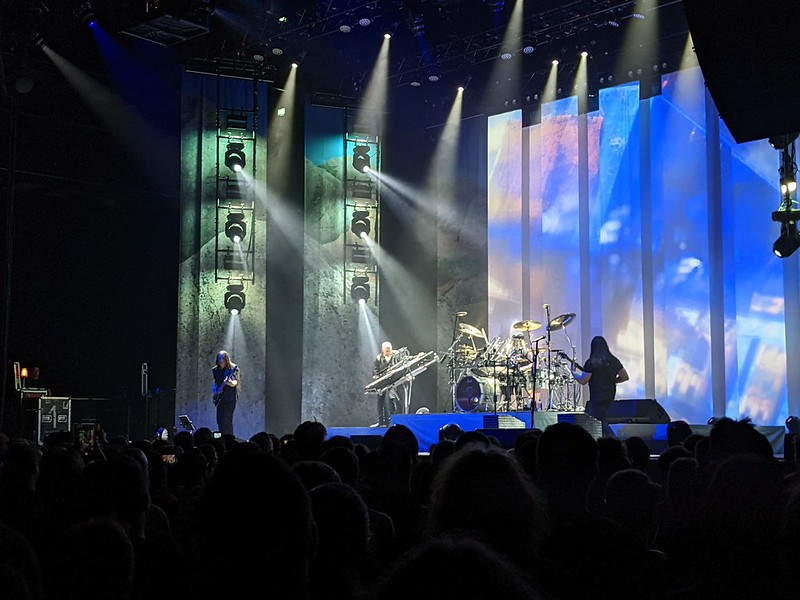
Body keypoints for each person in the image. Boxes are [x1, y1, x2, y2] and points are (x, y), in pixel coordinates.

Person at [569, 336, 629, 423]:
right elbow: (625, 377)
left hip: (596, 396)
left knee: (597, 420)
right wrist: (612, 381)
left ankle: (606, 434)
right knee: (605, 417)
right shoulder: (614, 361)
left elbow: (583, 380)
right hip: (610, 395)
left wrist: (574, 374)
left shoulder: (591, 362)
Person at [211, 350, 239, 436]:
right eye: (219, 358)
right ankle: (221, 439)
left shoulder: (232, 369)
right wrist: (214, 392)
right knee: (220, 421)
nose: (221, 360)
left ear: (226, 359)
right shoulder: (215, 370)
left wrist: (229, 382)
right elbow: (215, 382)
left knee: (227, 421)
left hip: (229, 399)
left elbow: (235, 383)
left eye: (223, 358)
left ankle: (229, 439)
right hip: (220, 399)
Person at [372, 342, 399, 427]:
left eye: (389, 350)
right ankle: (381, 421)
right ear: (382, 350)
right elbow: (375, 368)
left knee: (392, 401)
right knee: (380, 402)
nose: (388, 352)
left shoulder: (396, 355)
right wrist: (377, 376)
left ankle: (392, 421)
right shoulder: (379, 358)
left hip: (393, 382)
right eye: (386, 350)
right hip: (382, 382)